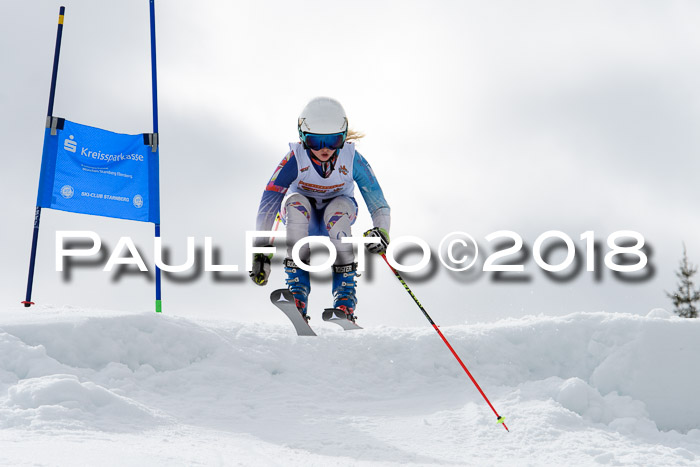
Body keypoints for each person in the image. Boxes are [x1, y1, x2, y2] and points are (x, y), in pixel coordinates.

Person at [249, 97, 391, 323]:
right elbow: (269, 202)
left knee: (336, 210)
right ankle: (297, 294)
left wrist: (382, 232)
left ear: (343, 137)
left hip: (337, 215)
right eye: (315, 142)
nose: (324, 149)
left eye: (333, 141)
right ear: (303, 138)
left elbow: (377, 201)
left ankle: (345, 300)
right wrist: (261, 252)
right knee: (295, 201)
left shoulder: (351, 159)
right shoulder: (295, 159)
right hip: (302, 217)